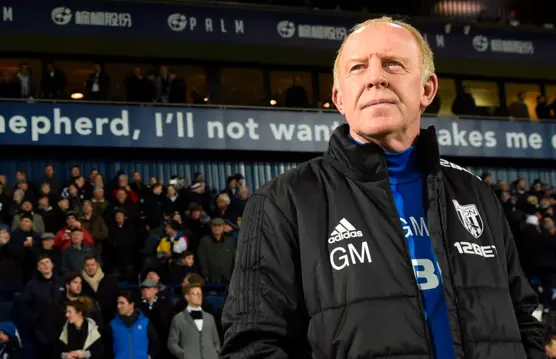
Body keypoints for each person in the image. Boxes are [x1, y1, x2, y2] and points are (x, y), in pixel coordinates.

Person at [220, 16, 545, 359]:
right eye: (358, 67)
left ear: (427, 89)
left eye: (392, 63)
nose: (376, 77)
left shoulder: (476, 195)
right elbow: (251, 346)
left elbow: (524, 319)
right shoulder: (282, 201)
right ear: (339, 98)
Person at [168, 283, 220, 359]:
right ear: (187, 296)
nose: (199, 296)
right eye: (195, 293)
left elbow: (216, 341)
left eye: (200, 294)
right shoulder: (178, 318)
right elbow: (172, 343)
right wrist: (183, 355)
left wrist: (216, 352)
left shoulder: (210, 318)